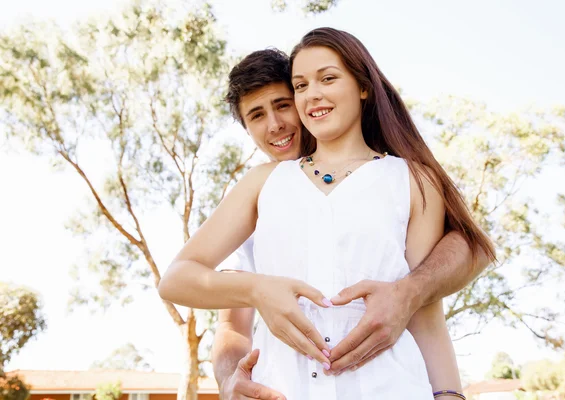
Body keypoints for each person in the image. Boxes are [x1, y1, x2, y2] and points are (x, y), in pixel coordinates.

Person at [159, 28, 495, 400]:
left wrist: (450, 395)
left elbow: (427, 312)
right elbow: (191, 291)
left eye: (327, 79)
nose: (277, 122)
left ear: (363, 86)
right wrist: (255, 296)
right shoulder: (262, 185)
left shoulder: (411, 179)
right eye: (301, 86)